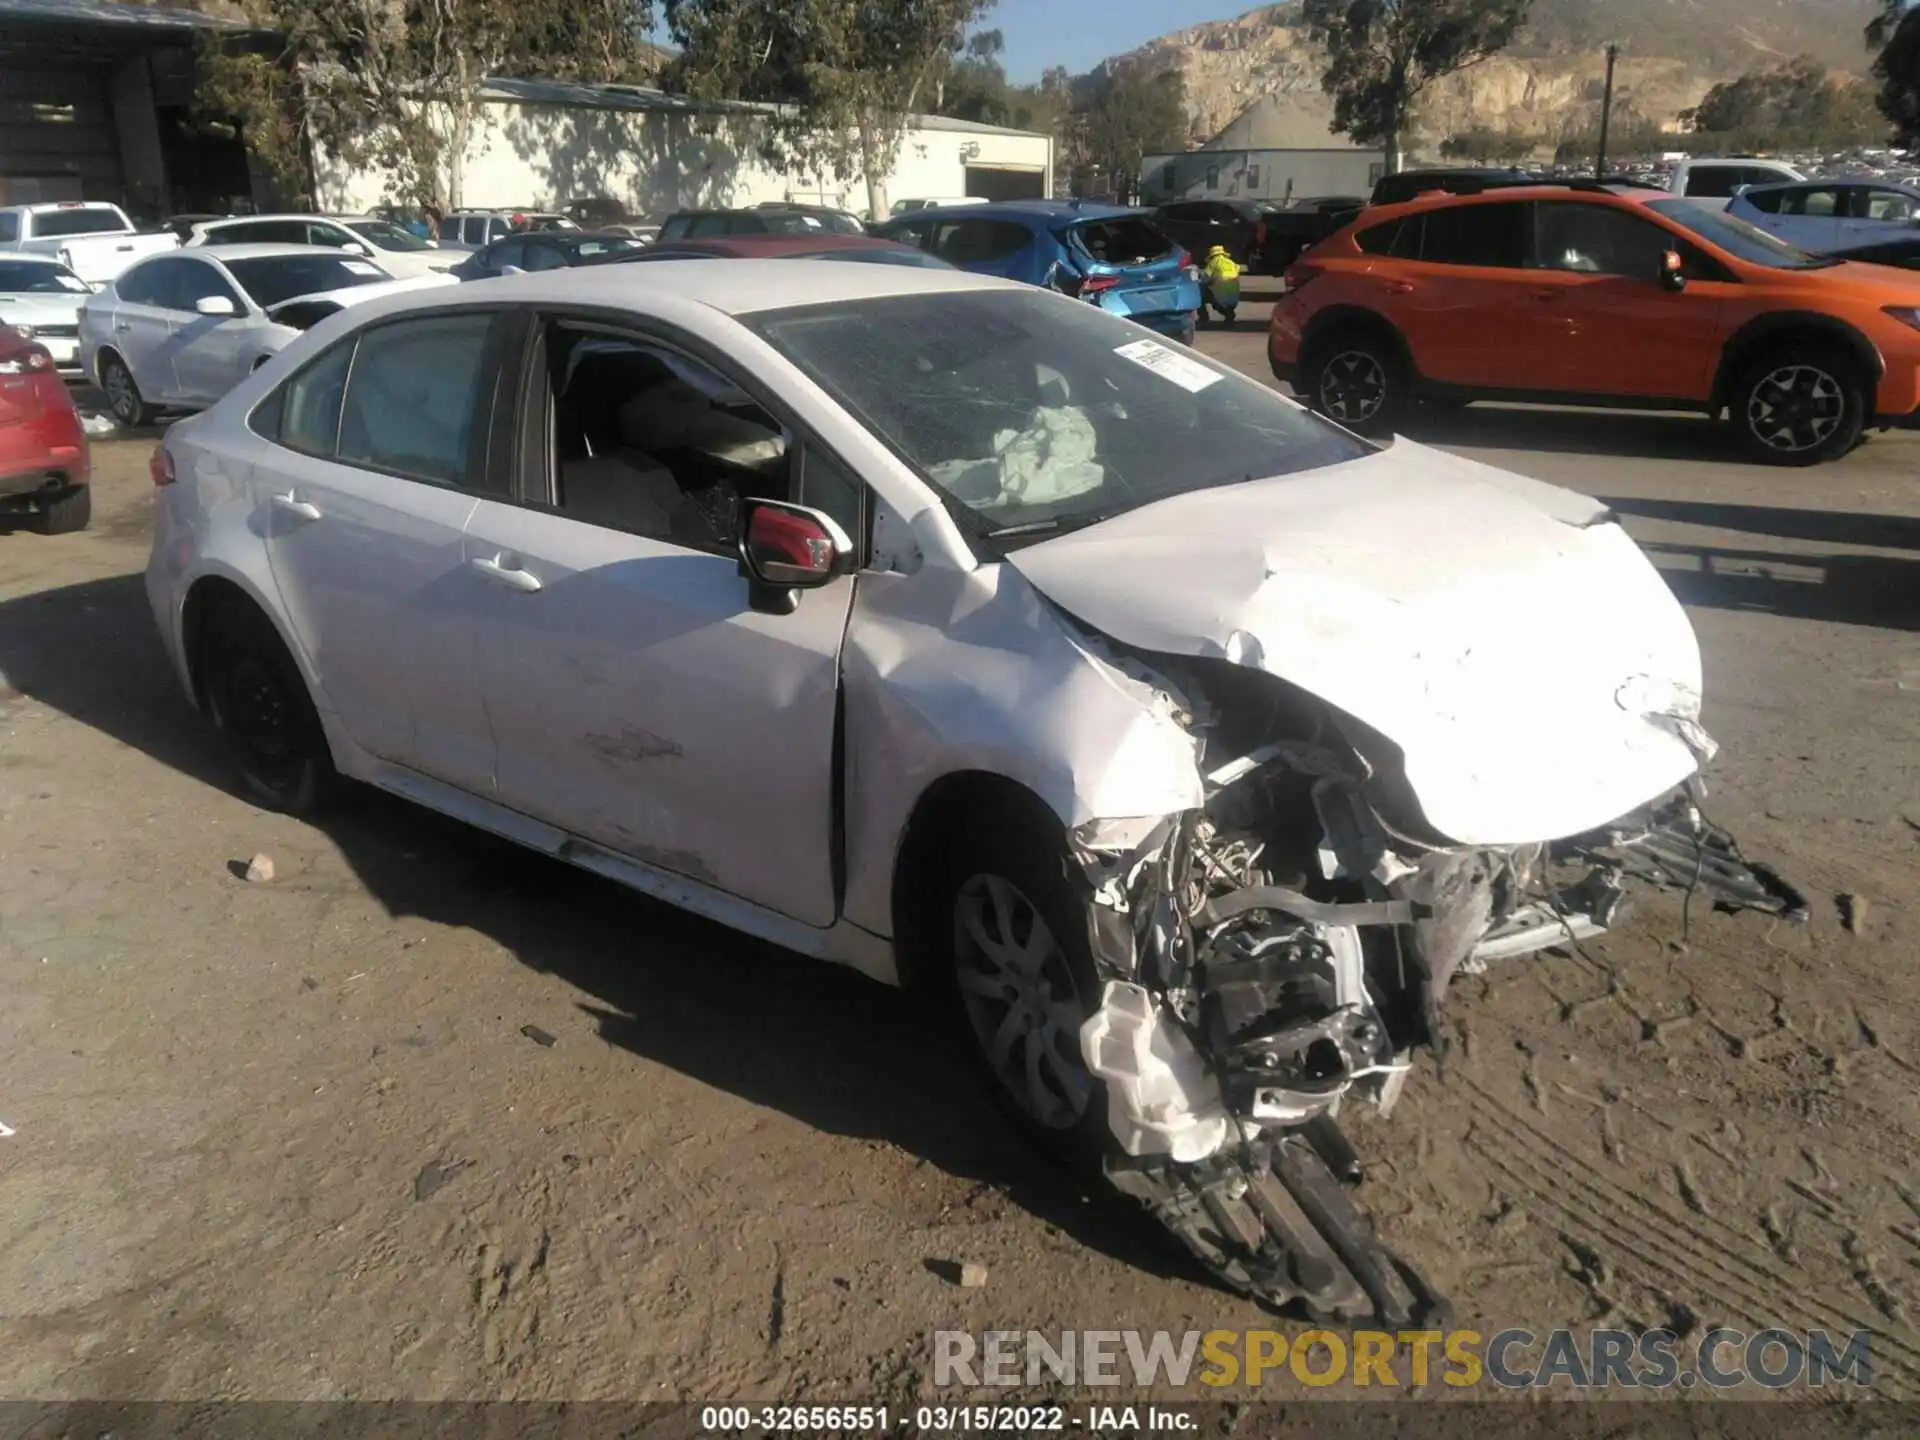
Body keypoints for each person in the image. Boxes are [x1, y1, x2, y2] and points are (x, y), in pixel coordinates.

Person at [1200, 244, 1241, 325]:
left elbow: (1205, 278)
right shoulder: (1232, 263)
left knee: (1199, 292)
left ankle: (1203, 316)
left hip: (1218, 293)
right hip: (1233, 293)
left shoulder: (1213, 263)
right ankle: (1228, 313)